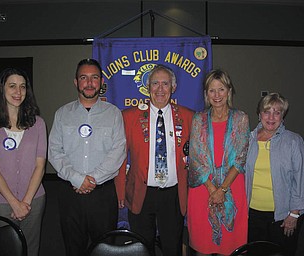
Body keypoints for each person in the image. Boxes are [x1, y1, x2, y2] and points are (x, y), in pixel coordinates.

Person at [48, 58, 126, 256]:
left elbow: (118, 151)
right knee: (73, 249)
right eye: (84, 78)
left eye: (94, 78)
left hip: (103, 194)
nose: (89, 83)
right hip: (70, 194)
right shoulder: (62, 114)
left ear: (101, 82)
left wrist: (91, 180)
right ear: (76, 82)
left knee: (106, 249)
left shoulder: (114, 113)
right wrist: (77, 178)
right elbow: (54, 152)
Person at [115, 64, 194, 256]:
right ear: (148, 87)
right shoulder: (129, 116)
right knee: (142, 248)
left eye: (165, 84)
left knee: (171, 247)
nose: (160, 89)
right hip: (141, 192)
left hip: (173, 195)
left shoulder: (188, 116)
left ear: (173, 88)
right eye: (155, 83)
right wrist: (120, 192)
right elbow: (120, 158)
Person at [0, 67, 47, 256]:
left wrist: (25, 202)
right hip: (1, 202)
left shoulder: (38, 124)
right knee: (4, 250)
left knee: (30, 249)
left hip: (34, 201)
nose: (18, 92)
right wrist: (15, 203)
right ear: (1, 89)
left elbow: (40, 166)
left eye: (23, 87)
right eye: (12, 86)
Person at [187, 69, 250, 256]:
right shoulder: (198, 119)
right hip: (203, 188)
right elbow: (195, 159)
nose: (217, 95)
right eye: (212, 90)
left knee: (231, 248)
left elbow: (240, 158)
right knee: (202, 246)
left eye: (221, 89)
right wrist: (212, 190)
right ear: (206, 94)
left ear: (229, 91)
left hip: (232, 185)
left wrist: (222, 189)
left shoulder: (241, 119)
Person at [245, 92, 304, 256]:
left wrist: (294, 214)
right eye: (267, 111)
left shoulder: (294, 141)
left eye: (277, 112)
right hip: (252, 215)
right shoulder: (248, 140)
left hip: (282, 217)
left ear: (282, 116)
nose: (271, 117)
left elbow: (300, 179)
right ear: (259, 114)